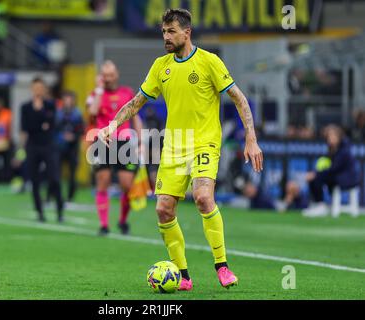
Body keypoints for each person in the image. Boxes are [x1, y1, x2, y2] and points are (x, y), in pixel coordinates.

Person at [98, 9, 263, 291]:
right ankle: (184, 277)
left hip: (204, 143)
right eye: (163, 32)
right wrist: (112, 125)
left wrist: (251, 137)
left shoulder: (209, 61)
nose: (166, 37)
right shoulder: (160, 66)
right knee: (163, 209)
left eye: (171, 31)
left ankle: (222, 267)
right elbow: (137, 102)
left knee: (201, 197)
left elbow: (238, 97)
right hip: (174, 147)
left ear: (187, 32)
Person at [87, 60, 143, 236]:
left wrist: (141, 141)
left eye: (111, 75)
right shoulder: (95, 94)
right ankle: (104, 225)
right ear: (101, 77)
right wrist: (99, 90)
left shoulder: (127, 93)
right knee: (103, 182)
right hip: (102, 142)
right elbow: (92, 113)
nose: (108, 79)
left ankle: (122, 220)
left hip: (124, 142)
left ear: (116, 75)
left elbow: (135, 117)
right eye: (105, 76)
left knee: (127, 185)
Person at [20, 77, 64, 222]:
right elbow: (26, 127)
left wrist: (40, 117)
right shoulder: (25, 107)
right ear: (32, 89)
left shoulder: (50, 105)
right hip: (32, 146)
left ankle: (59, 210)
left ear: (44, 89)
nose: (38, 90)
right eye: (36, 87)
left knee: (54, 178)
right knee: (35, 181)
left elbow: (52, 124)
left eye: (41, 87)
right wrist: (41, 123)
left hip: (48, 145)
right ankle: (39, 211)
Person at [302, 125, 361, 217]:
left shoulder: (344, 150)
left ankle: (320, 205)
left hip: (348, 179)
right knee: (315, 178)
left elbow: (335, 168)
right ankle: (318, 204)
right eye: (329, 137)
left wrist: (316, 174)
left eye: (333, 136)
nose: (331, 139)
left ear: (339, 137)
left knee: (317, 178)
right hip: (339, 177)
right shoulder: (332, 149)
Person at [52, 90, 85, 202]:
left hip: (72, 148)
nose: (68, 102)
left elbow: (81, 130)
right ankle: (52, 195)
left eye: (70, 100)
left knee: (72, 174)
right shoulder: (58, 113)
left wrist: (74, 137)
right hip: (59, 146)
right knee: (55, 172)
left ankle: (70, 197)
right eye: (66, 100)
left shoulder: (77, 114)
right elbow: (54, 128)